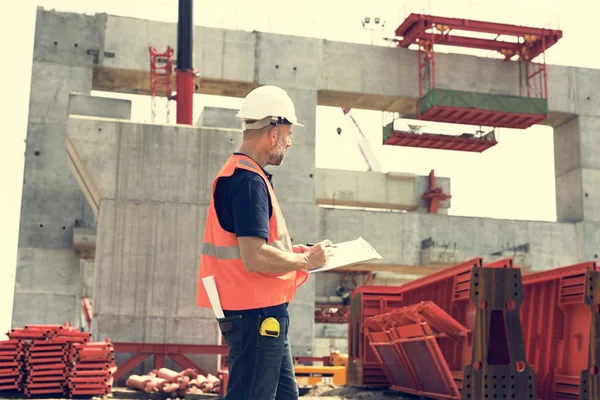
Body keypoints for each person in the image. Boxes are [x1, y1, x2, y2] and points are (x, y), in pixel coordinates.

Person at [197, 85, 334, 399]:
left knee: (286, 396)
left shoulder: (240, 174)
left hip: (257, 312)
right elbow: (255, 257)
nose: (289, 142)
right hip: (255, 314)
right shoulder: (248, 182)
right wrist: (306, 262)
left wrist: (300, 253)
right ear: (272, 133)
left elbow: (258, 246)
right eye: (287, 134)